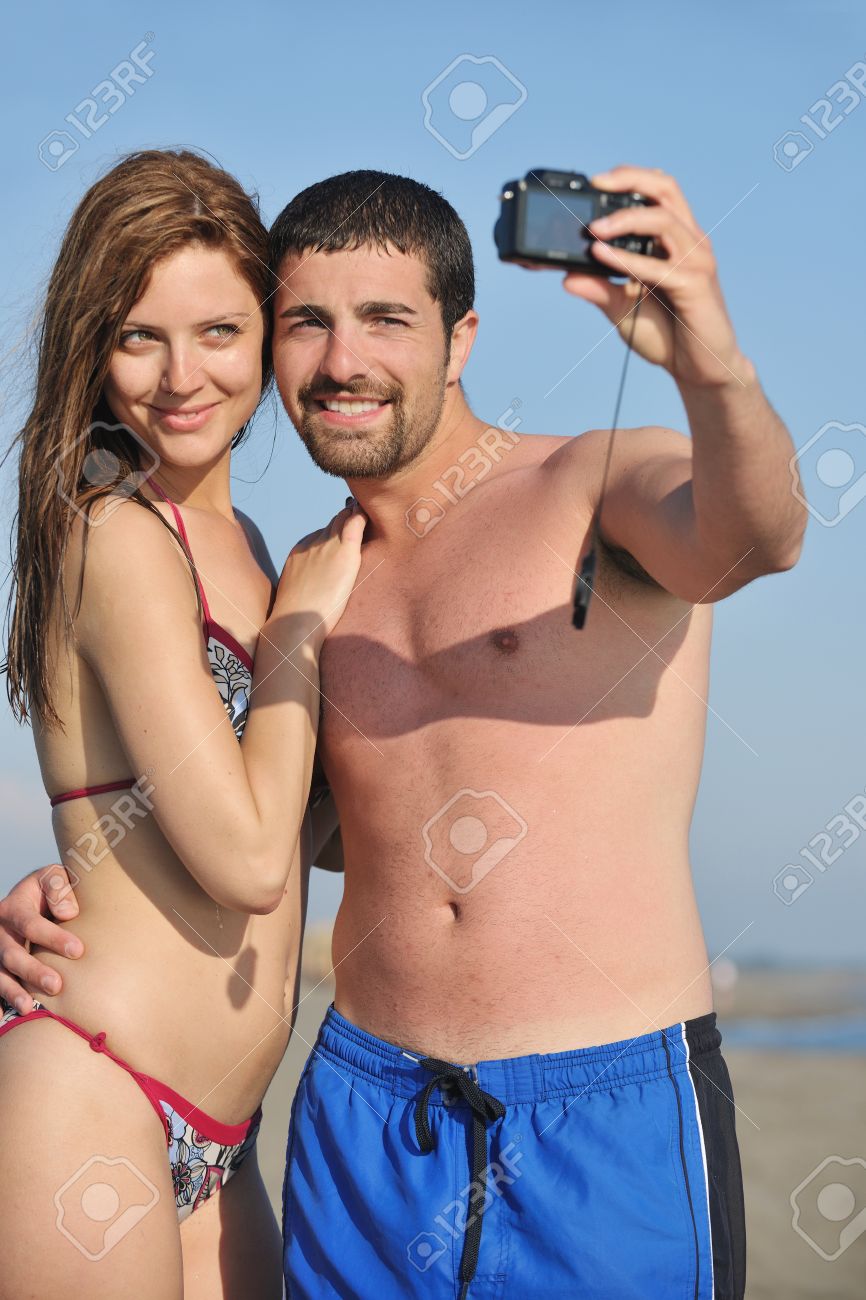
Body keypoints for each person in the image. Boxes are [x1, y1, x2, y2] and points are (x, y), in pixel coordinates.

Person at [2, 166, 807, 1298]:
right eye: (307, 323)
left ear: (459, 337)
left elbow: (753, 536)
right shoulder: (310, 580)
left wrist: (708, 364)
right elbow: (273, 827)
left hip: (600, 1109)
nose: (343, 362)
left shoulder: (582, 483)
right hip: (360, 1121)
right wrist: (79, 871)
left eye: (386, 320)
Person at [0, 148, 363, 1300]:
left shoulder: (251, 548)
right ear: (89, 348)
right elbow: (251, 860)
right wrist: (303, 631)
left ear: (267, 334)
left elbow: (305, 830)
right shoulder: (114, 534)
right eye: (137, 334)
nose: (178, 375)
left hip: (221, 1137)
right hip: (93, 1094)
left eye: (216, 330)